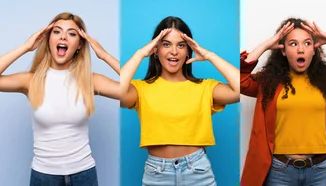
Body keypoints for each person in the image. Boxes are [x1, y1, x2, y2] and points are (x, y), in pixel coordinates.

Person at [0, 12, 119, 185]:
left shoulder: (90, 81)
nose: (63, 37)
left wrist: (104, 55)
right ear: (48, 40)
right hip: (43, 176)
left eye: (72, 34)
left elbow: (133, 88)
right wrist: (26, 47)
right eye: (57, 32)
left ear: (79, 45)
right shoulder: (31, 81)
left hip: (84, 175)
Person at [119, 16, 240, 185]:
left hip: (198, 172)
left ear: (188, 50)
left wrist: (209, 55)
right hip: (157, 174)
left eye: (181, 45)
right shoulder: (140, 89)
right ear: (155, 49)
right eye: (166, 44)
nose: (174, 52)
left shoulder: (204, 87)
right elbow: (116, 92)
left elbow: (241, 89)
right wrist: (140, 54)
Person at [240, 18, 326, 186]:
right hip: (279, 171)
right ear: (283, 50)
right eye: (293, 44)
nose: (301, 50)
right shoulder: (268, 81)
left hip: (321, 171)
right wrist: (267, 44)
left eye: (307, 43)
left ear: (314, 49)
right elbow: (239, 79)